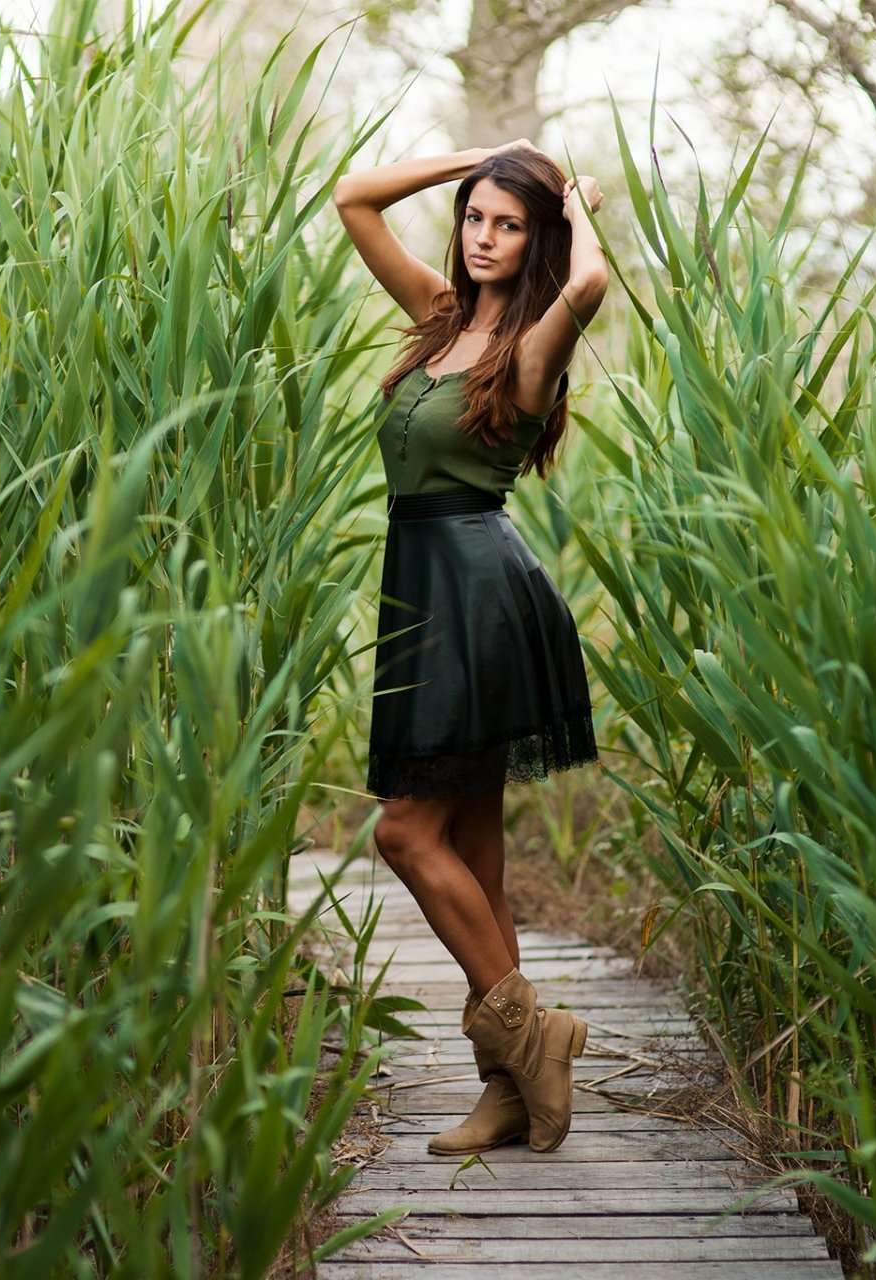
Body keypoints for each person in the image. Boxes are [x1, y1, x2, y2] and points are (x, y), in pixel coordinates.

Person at [332, 141, 607, 1156]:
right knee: (477, 857)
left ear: (536, 237)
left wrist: (572, 203)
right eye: (475, 218)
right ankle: (512, 1083)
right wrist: (475, 156)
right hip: (425, 591)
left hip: (482, 596)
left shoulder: (533, 345)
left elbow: (594, 279)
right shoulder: (438, 320)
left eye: (508, 223)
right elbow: (355, 199)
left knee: (405, 833)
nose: (485, 237)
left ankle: (532, 1037)